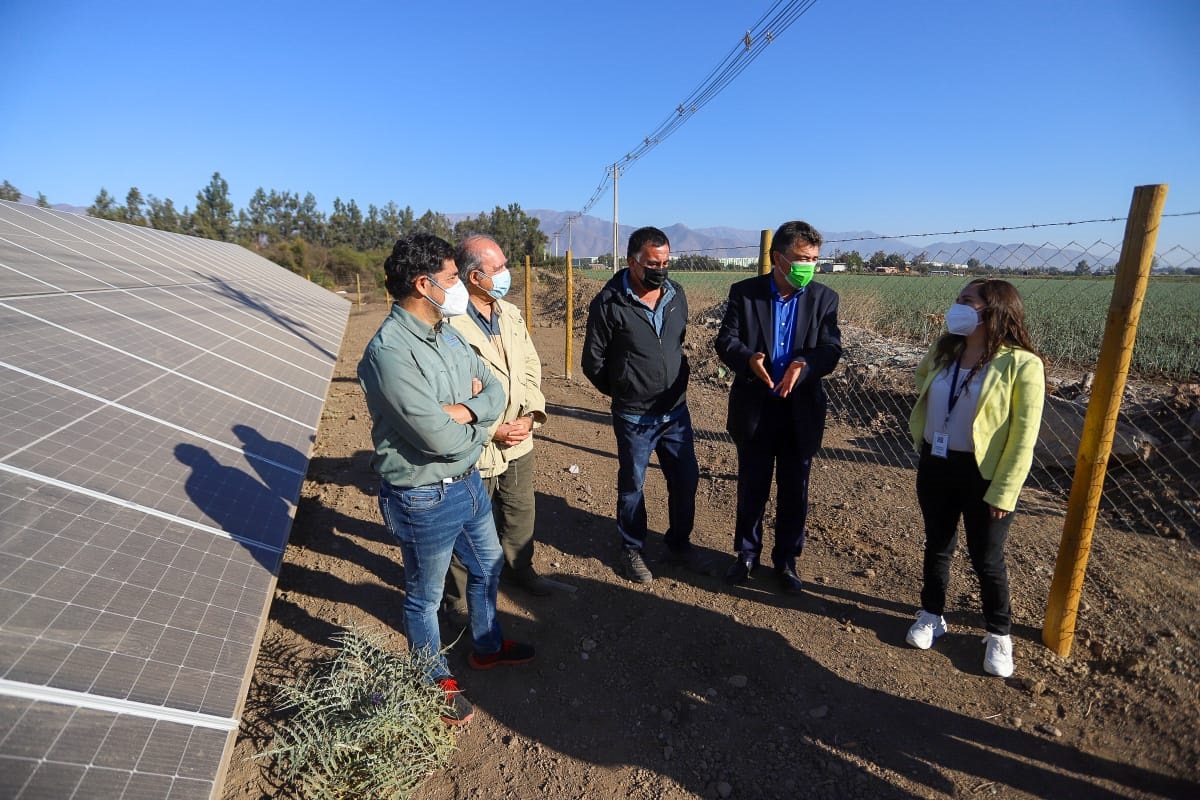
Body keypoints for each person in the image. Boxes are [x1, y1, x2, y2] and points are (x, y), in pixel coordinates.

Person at [357, 233, 535, 726]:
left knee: (488, 566)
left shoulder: (448, 331)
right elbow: (440, 439)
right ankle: (432, 675)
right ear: (424, 284)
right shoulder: (389, 353)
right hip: (423, 495)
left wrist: (464, 411)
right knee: (425, 595)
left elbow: (495, 390)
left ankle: (486, 646)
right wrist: (470, 421)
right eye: (454, 278)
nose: (460, 286)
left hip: (467, 484)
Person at [905, 278, 1045, 679]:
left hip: (985, 474)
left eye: (966, 301)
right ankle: (931, 615)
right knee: (938, 544)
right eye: (958, 300)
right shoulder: (944, 349)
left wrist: (1004, 492)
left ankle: (999, 634)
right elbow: (922, 383)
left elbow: (1023, 436)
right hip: (936, 462)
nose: (956, 307)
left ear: (993, 310)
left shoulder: (1022, 364)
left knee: (987, 558)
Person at [715, 220, 842, 594]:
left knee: (794, 490)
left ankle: (786, 561)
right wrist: (748, 359)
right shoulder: (745, 292)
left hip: (799, 411)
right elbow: (726, 339)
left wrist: (805, 367)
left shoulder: (824, 299)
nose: (809, 266)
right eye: (802, 258)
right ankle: (747, 556)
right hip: (756, 407)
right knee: (752, 486)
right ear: (778, 258)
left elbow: (830, 349)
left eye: (814, 259)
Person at [582, 226, 705, 583]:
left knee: (685, 481)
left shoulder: (676, 294)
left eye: (666, 262)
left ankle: (679, 545)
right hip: (634, 416)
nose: (661, 269)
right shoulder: (608, 303)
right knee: (633, 485)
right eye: (653, 263)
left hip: (675, 413)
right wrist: (625, 389)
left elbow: (678, 340)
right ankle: (632, 549)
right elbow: (593, 362)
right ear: (632, 261)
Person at [443, 235, 552, 612]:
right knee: (468, 521)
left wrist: (529, 416)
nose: (506, 274)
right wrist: (494, 429)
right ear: (475, 277)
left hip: (520, 435)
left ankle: (520, 569)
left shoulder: (510, 313)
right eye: (499, 268)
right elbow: (446, 400)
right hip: (478, 443)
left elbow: (531, 368)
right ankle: (458, 600)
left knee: (520, 509)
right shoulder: (448, 325)